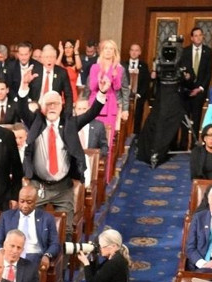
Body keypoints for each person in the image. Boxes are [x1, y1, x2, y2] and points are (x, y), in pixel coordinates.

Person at [19, 77, 110, 216]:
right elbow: (22, 110)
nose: (52, 107)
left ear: (62, 106)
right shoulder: (35, 122)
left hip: (63, 187)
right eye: (48, 104)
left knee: (66, 229)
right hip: (38, 186)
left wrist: (102, 93)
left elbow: (91, 114)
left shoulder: (70, 124)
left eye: (56, 104)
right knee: (34, 226)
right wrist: (24, 86)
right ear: (42, 108)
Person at [87, 40, 129, 177]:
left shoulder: (119, 69)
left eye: (111, 48)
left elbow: (117, 87)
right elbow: (92, 87)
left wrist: (115, 76)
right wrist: (100, 79)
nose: (108, 51)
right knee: (92, 141)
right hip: (94, 104)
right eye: (106, 48)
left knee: (107, 143)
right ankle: (90, 176)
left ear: (114, 52)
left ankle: (104, 178)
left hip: (110, 106)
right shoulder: (94, 67)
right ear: (102, 50)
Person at [0, 184, 60, 269]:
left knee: (27, 268)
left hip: (34, 255)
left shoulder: (47, 218)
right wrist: (1, 251)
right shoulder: (7, 217)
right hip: (11, 254)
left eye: (29, 202)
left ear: (35, 201)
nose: (25, 206)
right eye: (22, 201)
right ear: (18, 200)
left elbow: (55, 244)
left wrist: (47, 255)